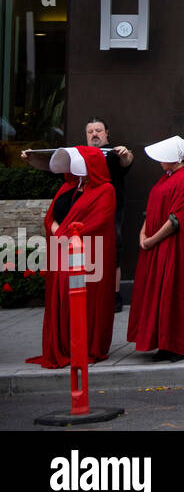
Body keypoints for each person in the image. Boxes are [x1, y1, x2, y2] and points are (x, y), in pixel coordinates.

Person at [25, 147, 117, 369]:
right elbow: (50, 216)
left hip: (87, 255)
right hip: (61, 251)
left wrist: (64, 234)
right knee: (60, 298)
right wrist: (56, 230)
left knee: (82, 299)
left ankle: (82, 345)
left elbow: (97, 222)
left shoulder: (105, 190)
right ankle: (62, 344)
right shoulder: (67, 186)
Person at [126, 136, 184, 362]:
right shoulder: (167, 177)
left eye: (162, 158)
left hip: (172, 247)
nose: (159, 162)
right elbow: (152, 211)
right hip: (157, 244)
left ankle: (174, 345)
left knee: (172, 292)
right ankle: (161, 342)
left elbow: (177, 218)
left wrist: (151, 239)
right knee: (158, 294)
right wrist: (143, 234)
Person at [85, 118, 132, 313]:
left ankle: (114, 296)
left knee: (113, 251)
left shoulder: (114, 154)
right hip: (87, 211)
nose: (94, 134)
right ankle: (90, 294)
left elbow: (127, 161)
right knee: (88, 252)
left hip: (111, 211)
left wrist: (126, 154)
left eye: (98, 130)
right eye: (90, 131)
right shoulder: (82, 155)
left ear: (106, 133)